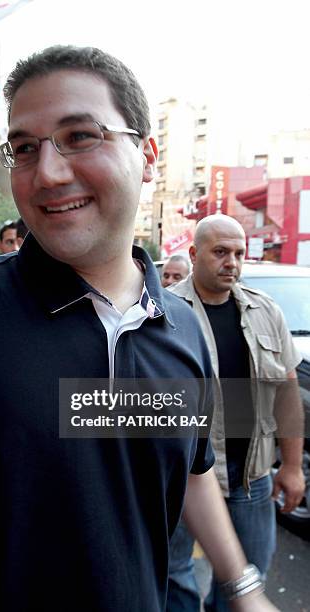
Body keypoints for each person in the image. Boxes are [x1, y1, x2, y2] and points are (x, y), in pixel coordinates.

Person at [0, 48, 276, 612]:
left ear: (148, 155)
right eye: (24, 149)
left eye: (81, 136)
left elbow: (190, 467)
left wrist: (243, 589)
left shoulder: (178, 325)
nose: (48, 173)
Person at [167, 214, 304, 611]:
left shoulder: (265, 311)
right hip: (183, 478)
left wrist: (292, 466)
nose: (232, 262)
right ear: (194, 254)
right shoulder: (164, 313)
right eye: (220, 252)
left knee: (248, 576)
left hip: (251, 476)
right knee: (174, 574)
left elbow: (287, 391)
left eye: (239, 253)